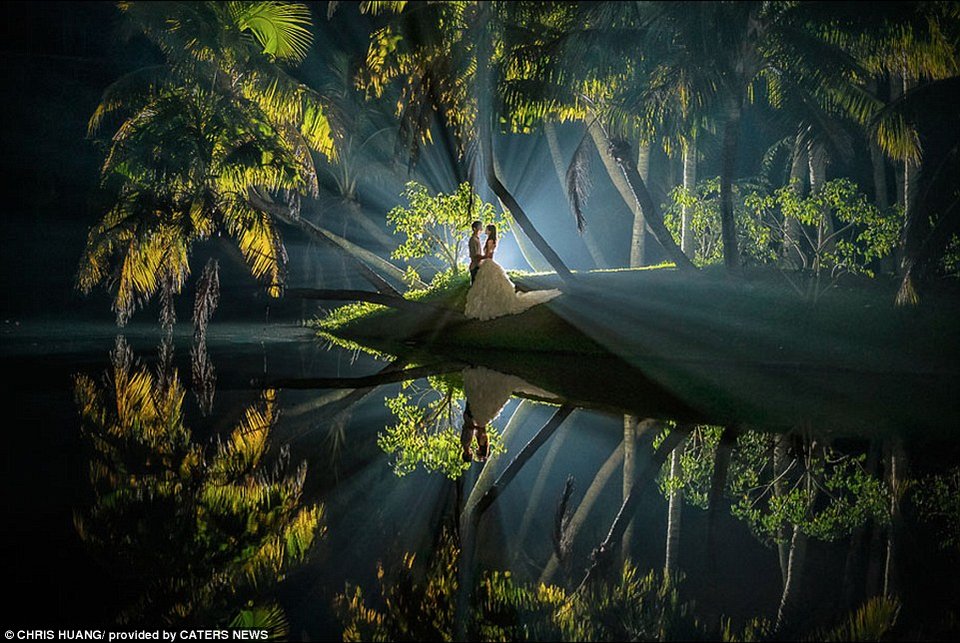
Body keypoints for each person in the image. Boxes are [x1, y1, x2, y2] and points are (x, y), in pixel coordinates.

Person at [464, 223, 562, 321]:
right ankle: (489, 303)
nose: (484, 230)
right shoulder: (487, 240)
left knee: (488, 285)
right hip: (485, 263)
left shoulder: (489, 240)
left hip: (487, 263)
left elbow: (489, 255)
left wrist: (482, 257)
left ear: (490, 231)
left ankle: (491, 304)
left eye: (486, 229)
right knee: (487, 285)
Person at [468, 220, 484, 284]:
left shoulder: (477, 239)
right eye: (479, 227)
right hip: (475, 266)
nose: (481, 229)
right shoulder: (473, 239)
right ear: (474, 229)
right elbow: (474, 255)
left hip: (478, 265)